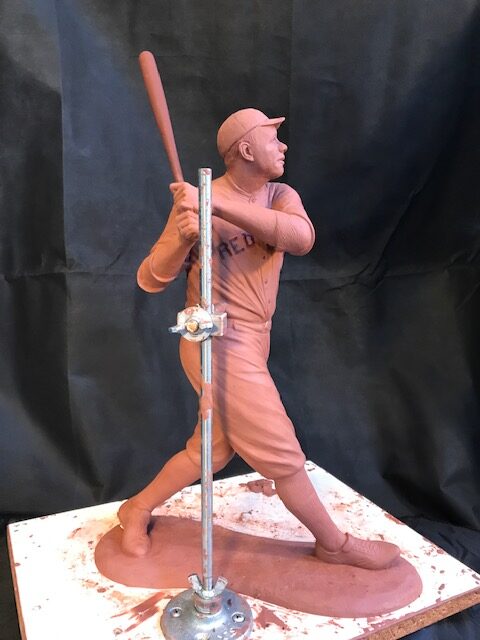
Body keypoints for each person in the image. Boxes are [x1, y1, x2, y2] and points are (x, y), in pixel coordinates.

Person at [119, 108, 400, 570]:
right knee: (282, 452)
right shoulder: (194, 204)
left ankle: (137, 507)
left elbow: (300, 237)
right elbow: (150, 279)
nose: (283, 146)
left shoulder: (278, 195)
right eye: (273, 138)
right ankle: (333, 543)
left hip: (256, 337)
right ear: (247, 150)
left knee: (210, 449)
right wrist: (184, 238)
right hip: (215, 340)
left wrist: (216, 206)